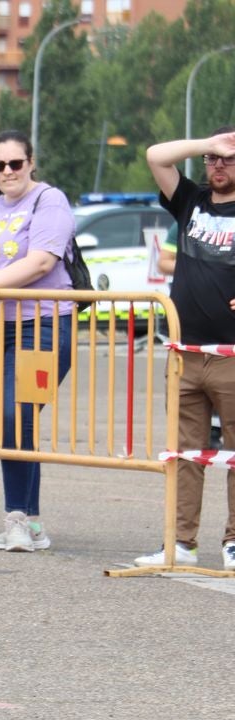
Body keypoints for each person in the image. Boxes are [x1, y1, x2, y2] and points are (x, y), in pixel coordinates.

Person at [0, 130, 77, 553]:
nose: (7, 172)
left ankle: (17, 520)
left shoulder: (49, 200)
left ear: (31, 163)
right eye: (0, 165)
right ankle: (33, 523)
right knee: (13, 421)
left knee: (13, 416)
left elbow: (41, 260)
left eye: (15, 164)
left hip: (39, 325)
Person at [135, 128, 235, 570]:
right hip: (185, 352)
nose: (218, 166)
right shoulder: (191, 199)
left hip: (232, 355)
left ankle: (234, 542)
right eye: (213, 160)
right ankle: (181, 543)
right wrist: (207, 144)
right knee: (183, 453)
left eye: (228, 160)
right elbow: (156, 156)